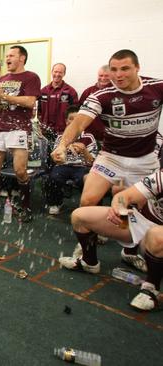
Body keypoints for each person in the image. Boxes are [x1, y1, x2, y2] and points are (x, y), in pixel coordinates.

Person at [53, 49, 163, 271]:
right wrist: (63, 145)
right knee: (87, 201)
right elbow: (78, 123)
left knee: (137, 208)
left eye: (125, 69)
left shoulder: (157, 87)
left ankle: (129, 252)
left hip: (145, 158)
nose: (118, 74)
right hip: (111, 156)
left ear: (137, 68)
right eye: (113, 69)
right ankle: (88, 259)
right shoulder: (101, 96)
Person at [58, 169, 163, 311]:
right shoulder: (161, 177)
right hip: (140, 221)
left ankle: (151, 288)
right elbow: (124, 195)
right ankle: (89, 262)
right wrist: (119, 207)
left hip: (158, 234)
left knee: (157, 237)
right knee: (79, 217)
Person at [0, 45, 41, 222]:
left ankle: (25, 207)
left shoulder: (31, 77)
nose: (7, 58)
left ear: (22, 58)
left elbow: (30, 102)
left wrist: (5, 97)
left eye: (11, 55)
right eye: (6, 56)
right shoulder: (1, 79)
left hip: (19, 128)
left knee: (20, 171)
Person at [44, 106, 97, 215]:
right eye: (70, 119)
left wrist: (84, 150)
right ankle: (55, 203)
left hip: (82, 167)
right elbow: (55, 159)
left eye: (76, 119)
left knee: (86, 180)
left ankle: (85, 205)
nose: (73, 122)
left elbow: (92, 162)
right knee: (54, 177)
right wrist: (60, 156)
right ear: (66, 121)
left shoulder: (89, 137)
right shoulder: (60, 138)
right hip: (64, 166)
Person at [38, 63, 78, 137]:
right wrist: (40, 127)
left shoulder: (70, 92)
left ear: (64, 74)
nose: (57, 74)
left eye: (60, 72)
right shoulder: (43, 91)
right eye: (55, 71)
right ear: (52, 72)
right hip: (45, 132)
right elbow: (38, 112)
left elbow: (74, 114)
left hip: (63, 133)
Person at [78, 65, 111, 141]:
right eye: (101, 75)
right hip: (89, 136)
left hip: (109, 138)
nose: (103, 78)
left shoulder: (116, 93)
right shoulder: (88, 92)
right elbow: (79, 114)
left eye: (106, 76)